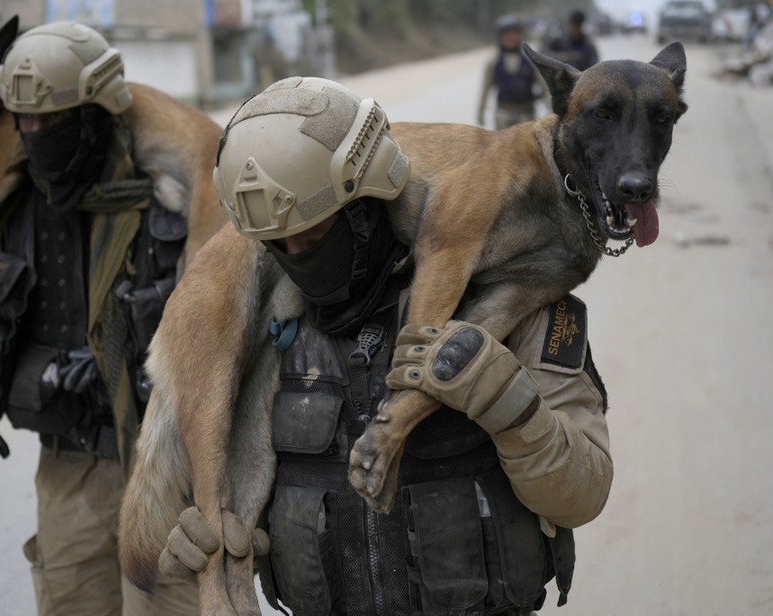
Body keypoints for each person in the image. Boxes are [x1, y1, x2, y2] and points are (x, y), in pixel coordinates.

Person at [161, 77, 613, 614]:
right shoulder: (274, 329)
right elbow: (252, 495)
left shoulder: (512, 293)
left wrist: (505, 398)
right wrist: (216, 537)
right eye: (278, 243)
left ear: (368, 197)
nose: (298, 254)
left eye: (313, 231)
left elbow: (582, 492)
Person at [0, 22, 199, 616]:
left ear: (96, 110)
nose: (35, 133)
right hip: (67, 471)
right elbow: (0, 323)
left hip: (165, 468)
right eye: (24, 120)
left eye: (52, 119)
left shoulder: (169, 193)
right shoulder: (17, 205)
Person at [476, 15, 546, 129]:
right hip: (503, 114)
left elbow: (544, 87)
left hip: (526, 114)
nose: (511, 37)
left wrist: (551, 109)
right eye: (507, 34)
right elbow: (485, 90)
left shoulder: (530, 61)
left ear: (520, 35)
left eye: (514, 33)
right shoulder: (494, 63)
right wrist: (481, 112)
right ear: (500, 37)